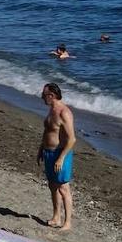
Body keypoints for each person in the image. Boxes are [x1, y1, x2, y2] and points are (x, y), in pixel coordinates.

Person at [38, 82, 76, 230]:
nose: (42, 97)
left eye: (44, 95)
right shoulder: (51, 110)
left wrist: (61, 158)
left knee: (63, 188)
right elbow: (48, 132)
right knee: (52, 186)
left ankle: (67, 223)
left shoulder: (64, 112)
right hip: (48, 152)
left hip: (60, 154)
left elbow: (72, 139)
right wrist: (41, 149)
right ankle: (56, 217)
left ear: (51, 95)